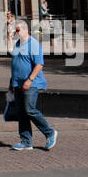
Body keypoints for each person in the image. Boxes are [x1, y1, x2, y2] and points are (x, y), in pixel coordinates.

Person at [9, 20, 56, 151]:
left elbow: (39, 64)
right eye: (15, 30)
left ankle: (49, 132)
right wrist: (11, 83)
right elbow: (16, 64)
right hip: (18, 83)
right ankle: (26, 141)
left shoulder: (33, 44)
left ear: (25, 30)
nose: (15, 32)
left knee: (29, 109)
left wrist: (29, 80)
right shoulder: (17, 44)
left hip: (31, 83)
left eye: (17, 30)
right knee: (21, 112)